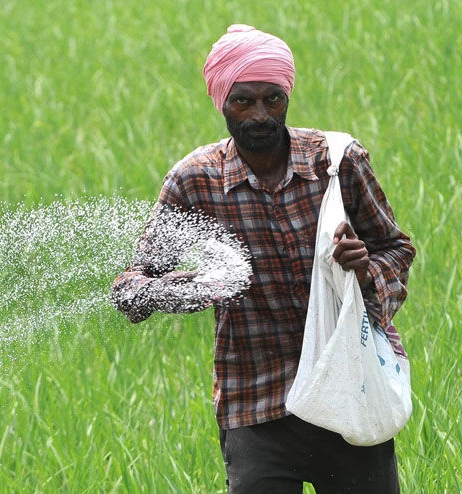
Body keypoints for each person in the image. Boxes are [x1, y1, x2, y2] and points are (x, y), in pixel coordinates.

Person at [111, 24, 415, 493]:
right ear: (222, 102)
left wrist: (364, 267)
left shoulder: (335, 163)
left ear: (287, 96)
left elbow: (396, 248)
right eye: (243, 101)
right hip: (256, 405)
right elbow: (131, 290)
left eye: (272, 99)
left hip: (348, 389)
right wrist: (195, 288)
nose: (259, 115)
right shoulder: (195, 182)